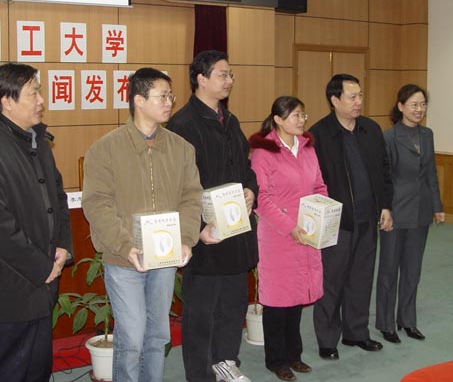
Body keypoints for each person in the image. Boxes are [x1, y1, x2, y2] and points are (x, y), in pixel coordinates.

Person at [82, 68, 202, 382]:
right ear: (138, 100)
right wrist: (125, 246)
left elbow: (192, 197)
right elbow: (97, 204)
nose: (170, 102)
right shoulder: (105, 149)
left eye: (170, 96)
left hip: (165, 257)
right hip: (124, 259)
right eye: (162, 96)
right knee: (132, 335)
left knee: (158, 334)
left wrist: (186, 238)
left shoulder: (181, 148)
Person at [0, 63, 73, 382]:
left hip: (41, 287)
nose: (41, 100)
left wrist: (63, 245)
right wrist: (43, 267)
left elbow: (58, 198)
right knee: (7, 373)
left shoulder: (36, 142)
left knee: (37, 371)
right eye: (33, 93)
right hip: (7, 293)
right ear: (7, 101)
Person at [166, 50, 258, 382]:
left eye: (230, 74)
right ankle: (201, 373)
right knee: (202, 311)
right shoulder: (183, 124)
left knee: (233, 304)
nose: (229, 80)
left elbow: (245, 166)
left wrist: (251, 190)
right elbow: (178, 185)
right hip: (204, 233)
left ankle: (225, 361)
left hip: (235, 228)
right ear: (201, 79)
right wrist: (196, 228)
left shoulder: (229, 120)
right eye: (223, 74)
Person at [309, 73, 393, 361]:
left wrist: (385, 206)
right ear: (335, 100)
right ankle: (327, 339)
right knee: (332, 280)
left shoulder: (371, 129)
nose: (359, 101)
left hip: (368, 218)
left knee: (361, 277)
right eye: (352, 96)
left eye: (360, 96)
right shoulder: (319, 135)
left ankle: (356, 332)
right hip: (337, 222)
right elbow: (313, 181)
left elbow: (384, 171)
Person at [248, 96, 327, 382]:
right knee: (278, 301)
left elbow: (319, 185)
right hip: (278, 236)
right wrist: (289, 226)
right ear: (278, 120)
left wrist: (323, 213)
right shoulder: (263, 152)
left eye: (303, 115)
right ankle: (276, 360)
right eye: (295, 115)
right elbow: (262, 199)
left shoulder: (307, 148)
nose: (302, 120)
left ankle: (294, 354)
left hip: (307, 232)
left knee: (297, 297)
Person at [376, 84, 445, 344]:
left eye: (423, 104)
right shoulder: (389, 136)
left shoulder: (427, 134)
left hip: (421, 211)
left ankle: (407, 320)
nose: (419, 109)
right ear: (401, 106)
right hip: (395, 211)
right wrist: (385, 209)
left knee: (412, 270)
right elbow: (384, 177)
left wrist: (437, 206)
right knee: (389, 270)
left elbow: (431, 173)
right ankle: (386, 323)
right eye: (414, 104)